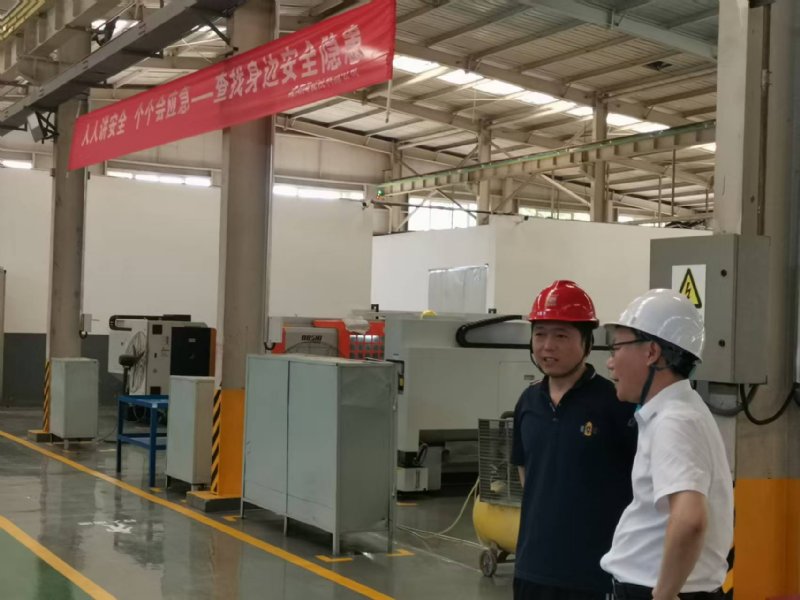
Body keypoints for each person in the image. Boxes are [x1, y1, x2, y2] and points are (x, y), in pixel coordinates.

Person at [600, 289, 733, 600]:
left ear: (651, 352)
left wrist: (663, 594)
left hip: (655, 590)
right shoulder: (679, 411)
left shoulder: (675, 420)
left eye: (616, 348)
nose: (610, 363)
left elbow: (690, 520)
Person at [511, 280, 637, 600]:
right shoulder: (528, 402)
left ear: (587, 343)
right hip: (531, 569)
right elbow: (526, 473)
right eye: (540, 334)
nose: (547, 346)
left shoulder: (616, 403)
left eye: (561, 336)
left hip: (594, 573)